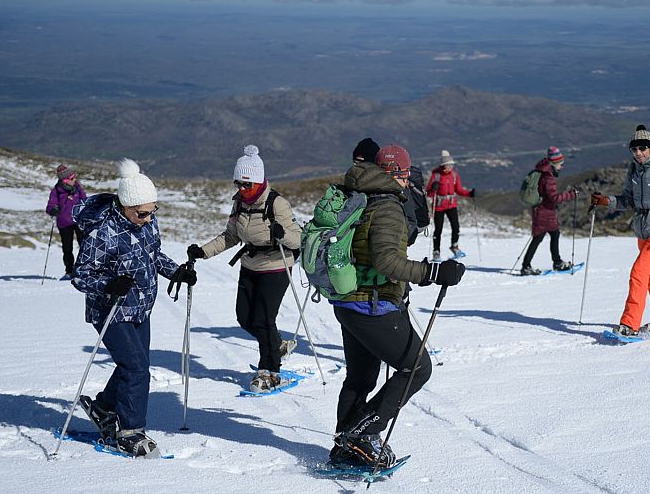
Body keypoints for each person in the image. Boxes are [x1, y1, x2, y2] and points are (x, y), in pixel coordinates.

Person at [329, 144, 465, 468]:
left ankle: (344, 448)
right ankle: (360, 435)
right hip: (374, 307)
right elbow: (387, 261)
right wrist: (432, 272)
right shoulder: (388, 206)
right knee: (418, 368)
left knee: (359, 379)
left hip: (347, 303)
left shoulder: (356, 195)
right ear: (402, 175)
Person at [71, 159, 196, 456]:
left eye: (153, 211)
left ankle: (103, 408)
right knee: (137, 368)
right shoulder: (104, 233)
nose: (148, 217)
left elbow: (153, 254)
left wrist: (175, 271)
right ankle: (130, 432)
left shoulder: (147, 222)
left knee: (133, 365)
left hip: (141, 308)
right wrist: (108, 285)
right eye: (142, 212)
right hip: (111, 311)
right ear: (125, 206)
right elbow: (80, 276)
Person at [186, 145, 302, 393]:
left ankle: (269, 371)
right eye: (238, 183)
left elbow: (298, 239)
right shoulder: (239, 204)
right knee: (244, 317)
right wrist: (203, 251)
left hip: (276, 266)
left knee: (263, 318)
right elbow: (230, 236)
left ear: (258, 182)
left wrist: (282, 234)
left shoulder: (277, 204)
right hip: (250, 265)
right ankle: (277, 345)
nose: (241, 188)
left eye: (245, 184)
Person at [591, 125, 650, 336]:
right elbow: (628, 200)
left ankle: (629, 324)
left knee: (638, 273)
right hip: (642, 232)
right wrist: (606, 201)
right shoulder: (634, 170)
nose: (639, 153)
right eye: (634, 149)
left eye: (643, 148)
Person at [520, 147, 577, 275]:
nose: (562, 167)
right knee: (539, 238)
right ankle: (527, 266)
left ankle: (554, 262)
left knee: (553, 234)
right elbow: (554, 198)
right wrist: (571, 195)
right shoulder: (548, 178)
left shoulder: (542, 173)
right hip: (545, 213)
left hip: (542, 212)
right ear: (555, 163)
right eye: (561, 164)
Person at [425, 150, 474, 260]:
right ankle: (436, 252)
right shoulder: (436, 175)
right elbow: (429, 193)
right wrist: (433, 189)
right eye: (448, 165)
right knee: (438, 230)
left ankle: (454, 246)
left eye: (451, 165)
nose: (450, 167)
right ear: (443, 166)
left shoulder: (454, 175)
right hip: (439, 206)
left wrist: (469, 194)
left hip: (451, 205)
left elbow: (459, 190)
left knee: (456, 227)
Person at [46, 164, 87, 279]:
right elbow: (49, 207)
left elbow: (85, 201)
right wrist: (53, 210)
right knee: (67, 248)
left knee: (84, 245)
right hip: (64, 223)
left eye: (74, 176)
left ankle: (84, 269)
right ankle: (69, 271)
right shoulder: (56, 191)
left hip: (79, 220)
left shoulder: (78, 188)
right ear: (64, 180)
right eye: (71, 178)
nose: (74, 179)